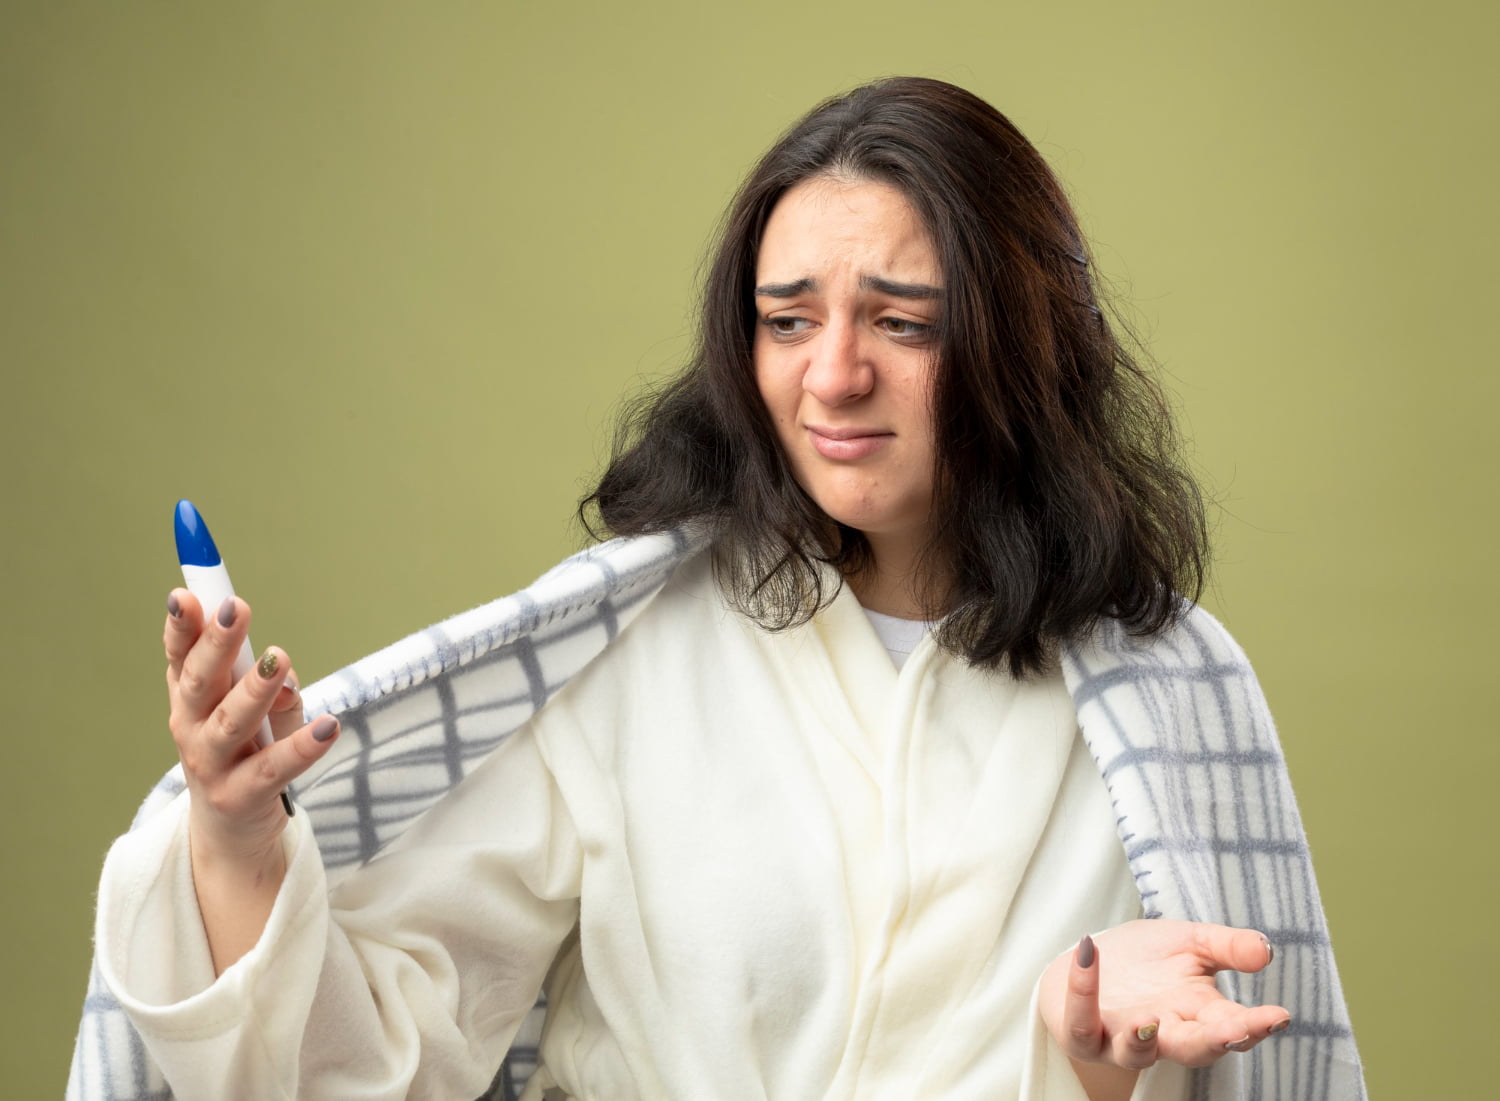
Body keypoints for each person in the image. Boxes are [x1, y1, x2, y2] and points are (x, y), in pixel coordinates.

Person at [77, 78, 1364, 1100]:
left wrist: (1085, 1059)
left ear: (1023, 343)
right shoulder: (632, 660)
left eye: (904, 322)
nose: (833, 376)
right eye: (789, 319)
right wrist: (240, 842)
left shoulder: (1170, 700)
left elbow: (1261, 1078)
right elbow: (366, 1071)